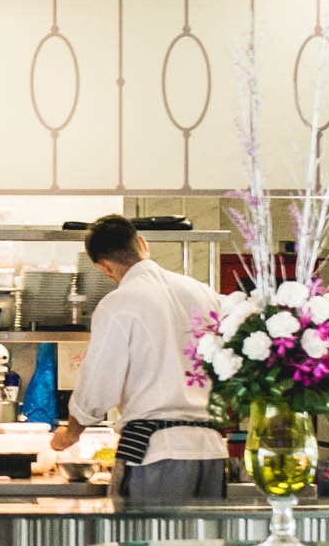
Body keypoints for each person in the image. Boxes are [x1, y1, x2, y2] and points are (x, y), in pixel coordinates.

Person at [70, 214, 227, 508]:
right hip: (212, 450)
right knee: (202, 538)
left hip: (156, 453)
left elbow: (98, 385)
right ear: (143, 243)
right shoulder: (203, 293)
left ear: (104, 267)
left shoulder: (119, 303)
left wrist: (70, 432)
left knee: (146, 536)